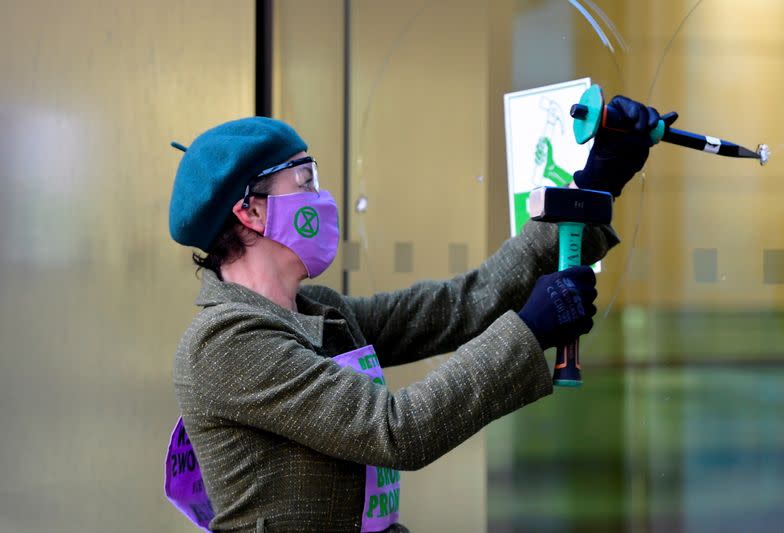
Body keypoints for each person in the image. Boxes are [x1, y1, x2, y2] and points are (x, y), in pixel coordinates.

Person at [166, 96, 661, 532]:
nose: (321, 197)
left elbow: (460, 306)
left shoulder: (318, 313)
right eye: (304, 179)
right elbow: (393, 430)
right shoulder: (226, 341)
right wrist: (529, 331)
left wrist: (593, 187)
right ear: (250, 212)